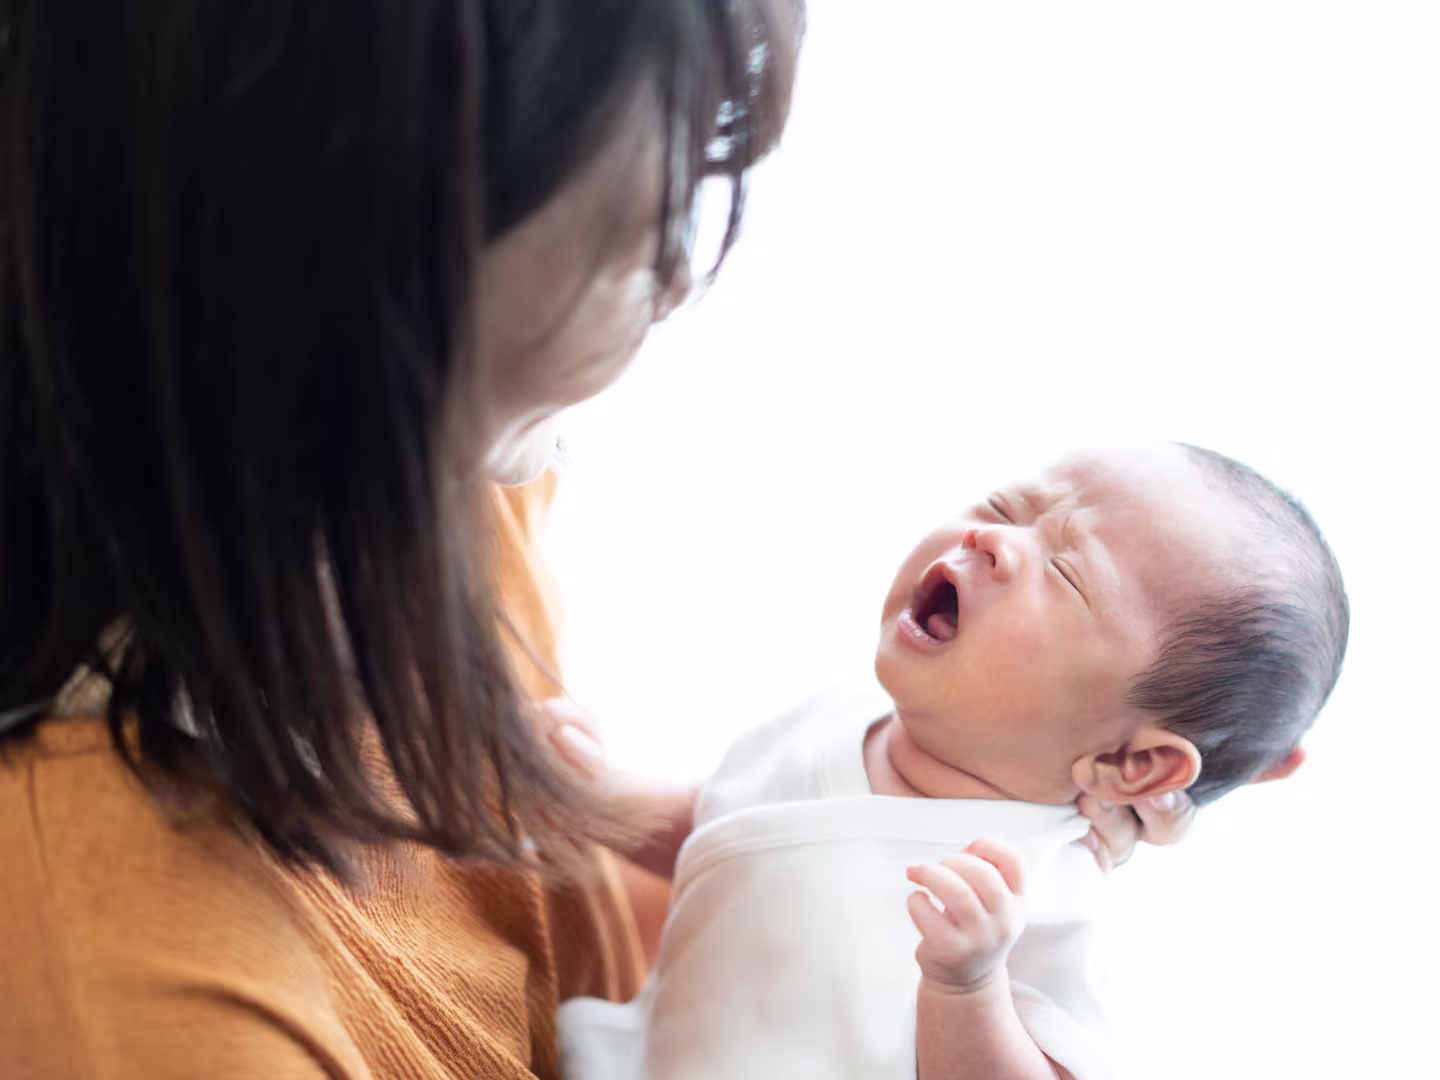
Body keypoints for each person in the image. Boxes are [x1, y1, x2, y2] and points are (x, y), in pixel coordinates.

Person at [0, 3, 1188, 1076]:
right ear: (365, 259)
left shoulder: (456, 469)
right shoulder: (140, 1005)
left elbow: (576, 942)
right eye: (648, 218)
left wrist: (962, 822)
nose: (679, 277)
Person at [555, 442, 1348, 1080]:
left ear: (1129, 763)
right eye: (1006, 506)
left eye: (1067, 570)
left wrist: (968, 988)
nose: (990, 540)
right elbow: (723, 837)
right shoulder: (834, 719)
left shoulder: (1047, 891)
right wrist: (595, 797)